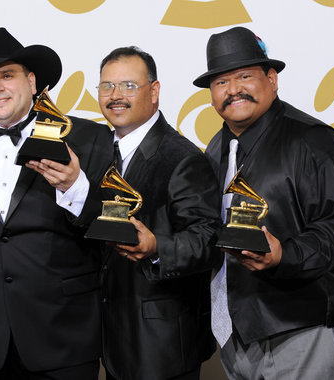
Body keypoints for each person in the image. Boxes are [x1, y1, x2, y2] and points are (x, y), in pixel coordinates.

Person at [194, 26, 334, 379]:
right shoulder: (216, 148)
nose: (233, 90)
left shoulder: (314, 141)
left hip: (304, 327)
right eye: (221, 82)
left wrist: (282, 256)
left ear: (272, 79)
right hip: (239, 330)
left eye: (245, 76)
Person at [0, 28, 112, 379]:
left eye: (7, 76)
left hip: (65, 333)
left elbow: (113, 228)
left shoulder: (86, 137)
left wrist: (75, 186)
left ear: (32, 82)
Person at [96, 46, 221, 380]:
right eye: (106, 86)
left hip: (162, 346)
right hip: (112, 342)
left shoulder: (182, 158)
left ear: (154, 91)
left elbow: (208, 241)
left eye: (128, 86)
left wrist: (156, 248)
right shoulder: (97, 153)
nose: (115, 96)